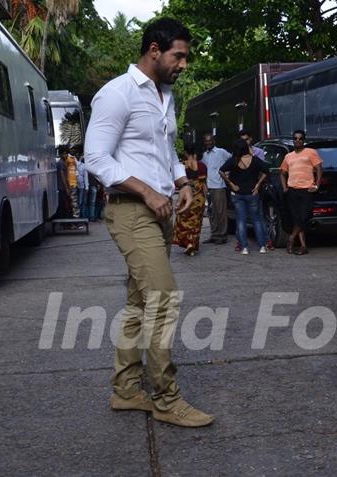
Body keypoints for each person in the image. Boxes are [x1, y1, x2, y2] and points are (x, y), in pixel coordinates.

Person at [85, 18, 213, 427]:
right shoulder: (117, 94)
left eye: (186, 57)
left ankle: (125, 391)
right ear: (154, 51)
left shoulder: (165, 95)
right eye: (179, 55)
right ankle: (165, 398)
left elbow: (164, 148)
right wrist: (148, 190)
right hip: (131, 210)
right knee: (163, 299)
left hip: (161, 211)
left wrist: (181, 180)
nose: (184, 64)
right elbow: (97, 159)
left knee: (140, 303)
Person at [219, 138, 270, 254]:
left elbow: (221, 171)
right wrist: (258, 185)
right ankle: (262, 246)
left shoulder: (233, 160)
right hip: (252, 193)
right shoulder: (255, 160)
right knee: (257, 220)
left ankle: (244, 247)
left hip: (237, 194)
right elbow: (267, 170)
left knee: (241, 221)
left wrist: (231, 184)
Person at [279, 130, 322, 255]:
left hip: (307, 189)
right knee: (297, 218)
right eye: (295, 138)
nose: (298, 140)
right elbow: (282, 173)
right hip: (292, 190)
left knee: (304, 217)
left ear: (304, 140)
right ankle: (303, 246)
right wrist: (284, 187)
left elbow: (319, 169)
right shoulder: (288, 156)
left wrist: (317, 185)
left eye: (300, 138)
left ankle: (291, 239)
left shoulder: (311, 152)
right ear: (293, 140)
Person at [239, 129, 274, 251]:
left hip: (255, 188)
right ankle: (240, 242)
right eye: (243, 140)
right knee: (241, 217)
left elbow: (263, 169)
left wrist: (258, 184)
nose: (245, 142)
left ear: (251, 139)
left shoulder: (258, 152)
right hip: (241, 189)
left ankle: (265, 241)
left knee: (258, 215)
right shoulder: (237, 153)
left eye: (247, 139)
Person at [173, 143, 208, 256]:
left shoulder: (182, 166)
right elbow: (204, 184)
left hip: (186, 197)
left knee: (183, 220)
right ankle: (192, 244)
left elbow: (178, 183)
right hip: (199, 198)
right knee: (196, 222)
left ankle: (187, 243)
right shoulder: (202, 166)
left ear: (185, 153)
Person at [200, 132, 231, 245]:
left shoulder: (221, 152)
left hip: (219, 186)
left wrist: (227, 174)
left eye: (210, 141)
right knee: (211, 212)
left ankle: (222, 235)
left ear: (214, 141)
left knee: (221, 212)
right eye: (206, 141)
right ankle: (214, 234)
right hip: (209, 187)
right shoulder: (205, 155)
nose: (208, 143)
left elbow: (232, 159)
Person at [62, 146, 80, 218]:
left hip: (74, 183)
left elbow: (76, 171)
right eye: (72, 149)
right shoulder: (68, 159)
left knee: (75, 202)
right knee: (73, 202)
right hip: (70, 183)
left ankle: (76, 218)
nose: (73, 151)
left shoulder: (74, 159)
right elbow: (65, 170)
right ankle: (75, 219)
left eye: (74, 149)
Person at [76, 153, 89, 220]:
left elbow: (86, 177)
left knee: (80, 201)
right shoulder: (72, 163)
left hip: (81, 186)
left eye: (78, 155)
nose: (77, 156)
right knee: (76, 201)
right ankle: (76, 216)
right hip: (74, 185)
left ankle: (81, 216)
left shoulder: (83, 165)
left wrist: (86, 187)